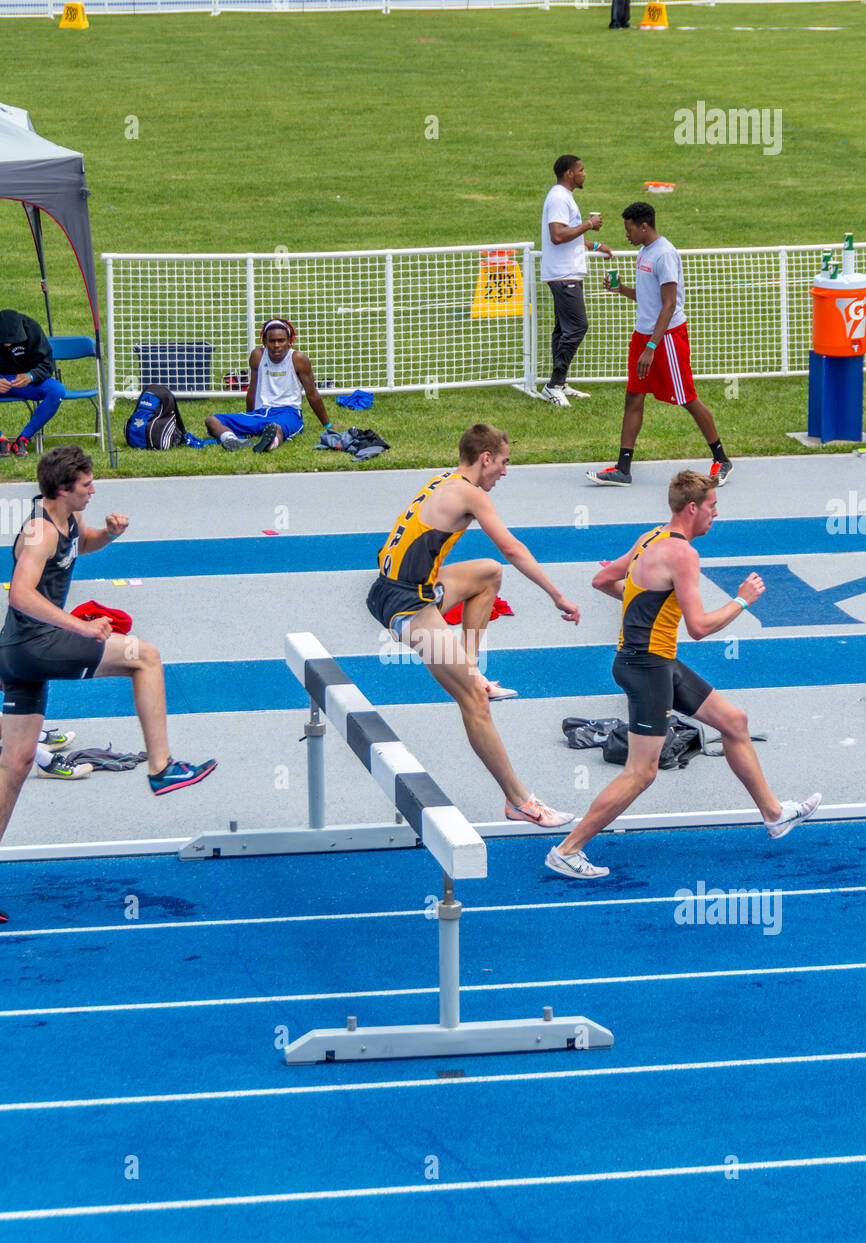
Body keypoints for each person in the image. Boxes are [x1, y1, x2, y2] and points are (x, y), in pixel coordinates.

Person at [545, 470, 821, 879]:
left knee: (734, 721)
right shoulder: (683, 555)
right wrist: (742, 602)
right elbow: (699, 627)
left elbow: (603, 579)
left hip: (655, 661)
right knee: (642, 772)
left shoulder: (650, 538)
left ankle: (774, 814)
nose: (715, 515)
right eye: (712, 508)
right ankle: (568, 849)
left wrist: (641, 603)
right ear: (692, 508)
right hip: (647, 667)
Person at [0, 445, 217, 918]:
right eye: (86, 484)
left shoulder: (68, 521)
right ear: (62, 488)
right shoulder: (39, 532)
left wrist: (110, 536)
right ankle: (162, 768)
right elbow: (19, 594)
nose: (94, 488)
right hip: (34, 645)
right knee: (146, 657)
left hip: (16, 658)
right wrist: (79, 626)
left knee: (15, 764)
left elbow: (85, 543)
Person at [366, 424, 581, 828]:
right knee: (474, 703)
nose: (504, 472)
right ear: (485, 458)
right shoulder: (472, 494)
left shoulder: (444, 480)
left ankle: (471, 668)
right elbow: (514, 548)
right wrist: (557, 595)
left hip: (410, 587)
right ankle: (518, 800)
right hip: (405, 603)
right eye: (503, 463)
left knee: (488, 573)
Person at [587, 203, 733, 488]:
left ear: (644, 226)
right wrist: (621, 290)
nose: (626, 235)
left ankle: (722, 459)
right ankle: (623, 468)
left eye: (629, 229)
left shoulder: (664, 254)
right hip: (644, 334)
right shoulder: (644, 252)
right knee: (634, 397)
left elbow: (668, 305)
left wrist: (652, 347)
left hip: (665, 338)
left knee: (687, 398)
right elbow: (648, 297)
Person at [539, 156, 613, 407]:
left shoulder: (562, 196)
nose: (584, 174)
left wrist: (594, 244)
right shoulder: (559, 198)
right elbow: (557, 235)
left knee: (563, 330)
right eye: (581, 170)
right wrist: (589, 225)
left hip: (566, 272)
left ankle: (560, 383)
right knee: (578, 327)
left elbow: (566, 236)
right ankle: (553, 385)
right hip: (563, 275)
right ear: (569, 173)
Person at [205, 318, 331, 452]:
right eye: (272, 341)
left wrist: (328, 425)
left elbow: (312, 394)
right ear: (264, 342)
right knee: (212, 420)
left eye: (281, 340)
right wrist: (250, 416)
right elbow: (252, 389)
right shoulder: (257, 356)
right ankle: (232, 440)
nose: (276, 345)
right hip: (261, 413)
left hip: (288, 412)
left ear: (289, 341)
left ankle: (269, 444)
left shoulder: (298, 359)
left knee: (277, 428)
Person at [0, 309, 66, 458]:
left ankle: (23, 438)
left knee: (57, 390)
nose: (7, 344)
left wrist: (31, 376)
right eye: (3, 340)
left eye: (12, 340)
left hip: (26, 382)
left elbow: (47, 364)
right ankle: (1, 440)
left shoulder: (32, 328)